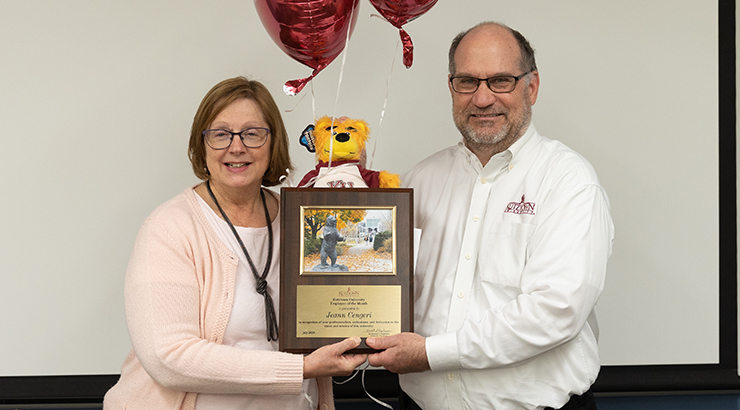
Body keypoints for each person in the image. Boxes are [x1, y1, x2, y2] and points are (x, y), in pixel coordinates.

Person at [366, 22, 614, 410]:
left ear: (530, 87)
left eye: (501, 81)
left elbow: (555, 311)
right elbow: (384, 288)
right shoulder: (419, 181)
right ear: (451, 87)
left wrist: (432, 353)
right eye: (467, 81)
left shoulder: (567, 180)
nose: (482, 99)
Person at [104, 77, 367, 410]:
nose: (236, 147)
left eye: (252, 133)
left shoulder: (303, 218)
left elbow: (333, 310)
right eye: (220, 134)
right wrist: (301, 369)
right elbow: (169, 357)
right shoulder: (169, 228)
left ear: (273, 144)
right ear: (202, 145)